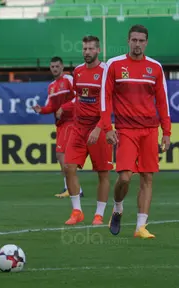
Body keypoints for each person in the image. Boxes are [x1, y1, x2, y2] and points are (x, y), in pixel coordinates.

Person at [101, 25, 171, 238]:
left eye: (141, 40)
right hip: (125, 130)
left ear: (146, 42)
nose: (137, 44)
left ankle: (141, 226)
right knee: (124, 178)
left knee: (147, 178)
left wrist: (166, 131)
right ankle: (118, 208)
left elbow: (162, 101)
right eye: (134, 40)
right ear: (128, 41)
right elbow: (105, 97)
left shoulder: (156, 68)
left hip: (149, 130)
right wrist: (107, 127)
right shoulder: (114, 65)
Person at [59, 35, 113, 225]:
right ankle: (77, 211)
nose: (87, 52)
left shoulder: (106, 71)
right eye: (84, 49)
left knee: (103, 173)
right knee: (68, 167)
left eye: (91, 49)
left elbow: (109, 103)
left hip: (99, 128)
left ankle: (99, 214)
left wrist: (100, 128)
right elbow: (79, 98)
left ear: (98, 50)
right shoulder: (78, 71)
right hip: (79, 128)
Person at [32, 57, 83, 198]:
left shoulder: (69, 79)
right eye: (52, 66)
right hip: (61, 124)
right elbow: (51, 106)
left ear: (62, 67)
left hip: (72, 121)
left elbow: (79, 96)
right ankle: (74, 188)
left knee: (62, 155)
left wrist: (65, 107)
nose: (54, 69)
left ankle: (71, 189)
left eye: (56, 66)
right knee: (63, 157)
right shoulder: (51, 86)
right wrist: (41, 110)